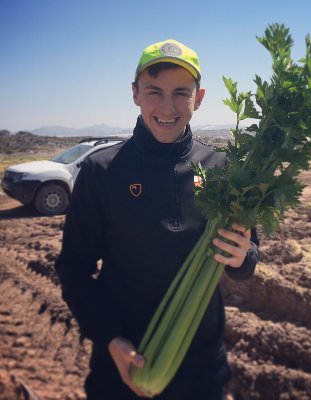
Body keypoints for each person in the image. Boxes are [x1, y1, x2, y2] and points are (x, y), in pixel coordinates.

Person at [56, 39, 259, 400]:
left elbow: (246, 257)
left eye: (181, 93)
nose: (168, 107)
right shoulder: (101, 171)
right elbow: (74, 269)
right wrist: (110, 339)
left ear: (199, 98)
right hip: (121, 363)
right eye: (154, 92)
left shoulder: (225, 171)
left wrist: (244, 257)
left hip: (201, 370)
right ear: (135, 94)